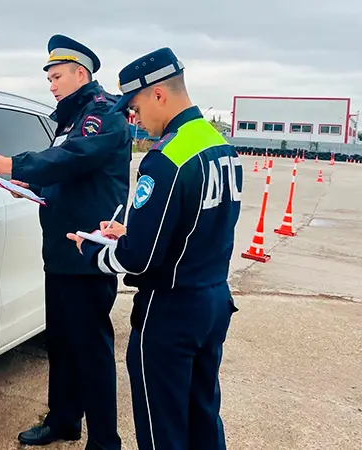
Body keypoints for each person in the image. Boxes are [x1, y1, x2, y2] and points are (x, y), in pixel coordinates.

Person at [66, 47, 242, 450]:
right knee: (203, 416)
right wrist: (133, 228)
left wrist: (94, 250)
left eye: (136, 106)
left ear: (158, 94)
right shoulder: (220, 146)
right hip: (213, 300)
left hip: (171, 311)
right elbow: (196, 228)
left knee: (162, 427)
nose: (135, 118)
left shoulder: (166, 158)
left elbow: (138, 259)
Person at [0, 34, 131, 450]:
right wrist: (25, 182)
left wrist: (11, 162)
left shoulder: (102, 114)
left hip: (88, 250)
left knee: (91, 349)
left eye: (57, 76)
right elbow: (65, 175)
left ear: (81, 73)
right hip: (60, 248)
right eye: (50, 78)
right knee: (61, 340)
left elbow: (74, 158)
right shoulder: (71, 116)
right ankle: (63, 420)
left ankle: (104, 441)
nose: (51, 85)